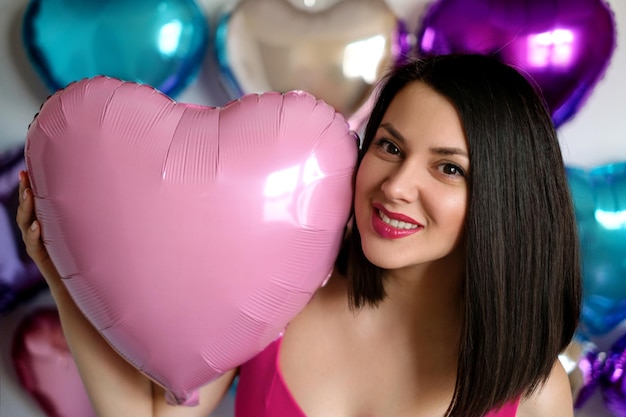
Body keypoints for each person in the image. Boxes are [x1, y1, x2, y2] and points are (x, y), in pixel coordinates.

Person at [17, 53, 581, 417]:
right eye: (389, 146)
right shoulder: (282, 293)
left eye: (449, 168)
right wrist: (60, 275)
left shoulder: (535, 395)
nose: (397, 186)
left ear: (506, 200)